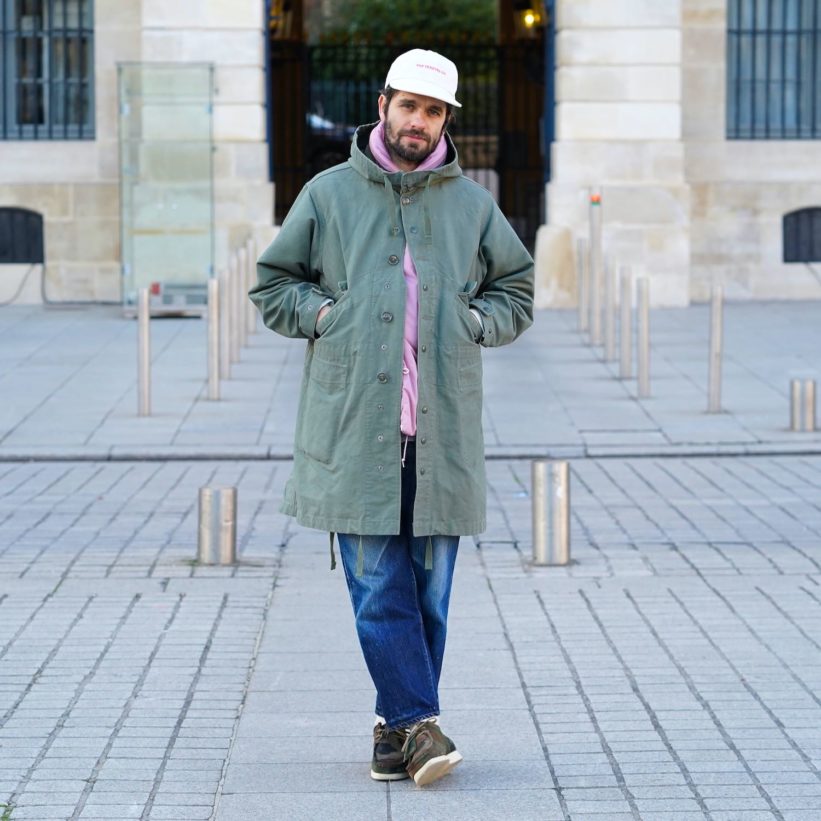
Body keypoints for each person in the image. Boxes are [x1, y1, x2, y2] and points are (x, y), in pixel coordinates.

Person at [250, 48, 534, 786]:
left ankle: (395, 732)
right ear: (383, 106)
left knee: (430, 595)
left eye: (433, 110)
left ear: (445, 121)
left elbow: (516, 288)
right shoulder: (327, 194)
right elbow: (273, 284)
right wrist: (325, 315)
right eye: (408, 105)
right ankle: (419, 725)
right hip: (353, 426)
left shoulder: (472, 206)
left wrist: (478, 323)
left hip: (441, 433)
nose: (418, 121)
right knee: (379, 587)